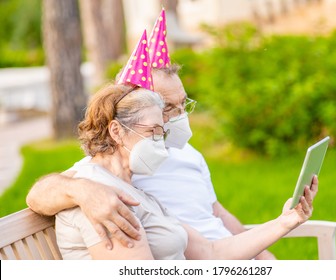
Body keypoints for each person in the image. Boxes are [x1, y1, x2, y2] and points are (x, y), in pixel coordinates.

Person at [55, 82, 317, 260]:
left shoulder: (137, 191)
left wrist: (286, 220)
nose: (161, 144)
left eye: (162, 133)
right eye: (152, 133)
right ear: (116, 131)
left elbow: (211, 252)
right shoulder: (100, 196)